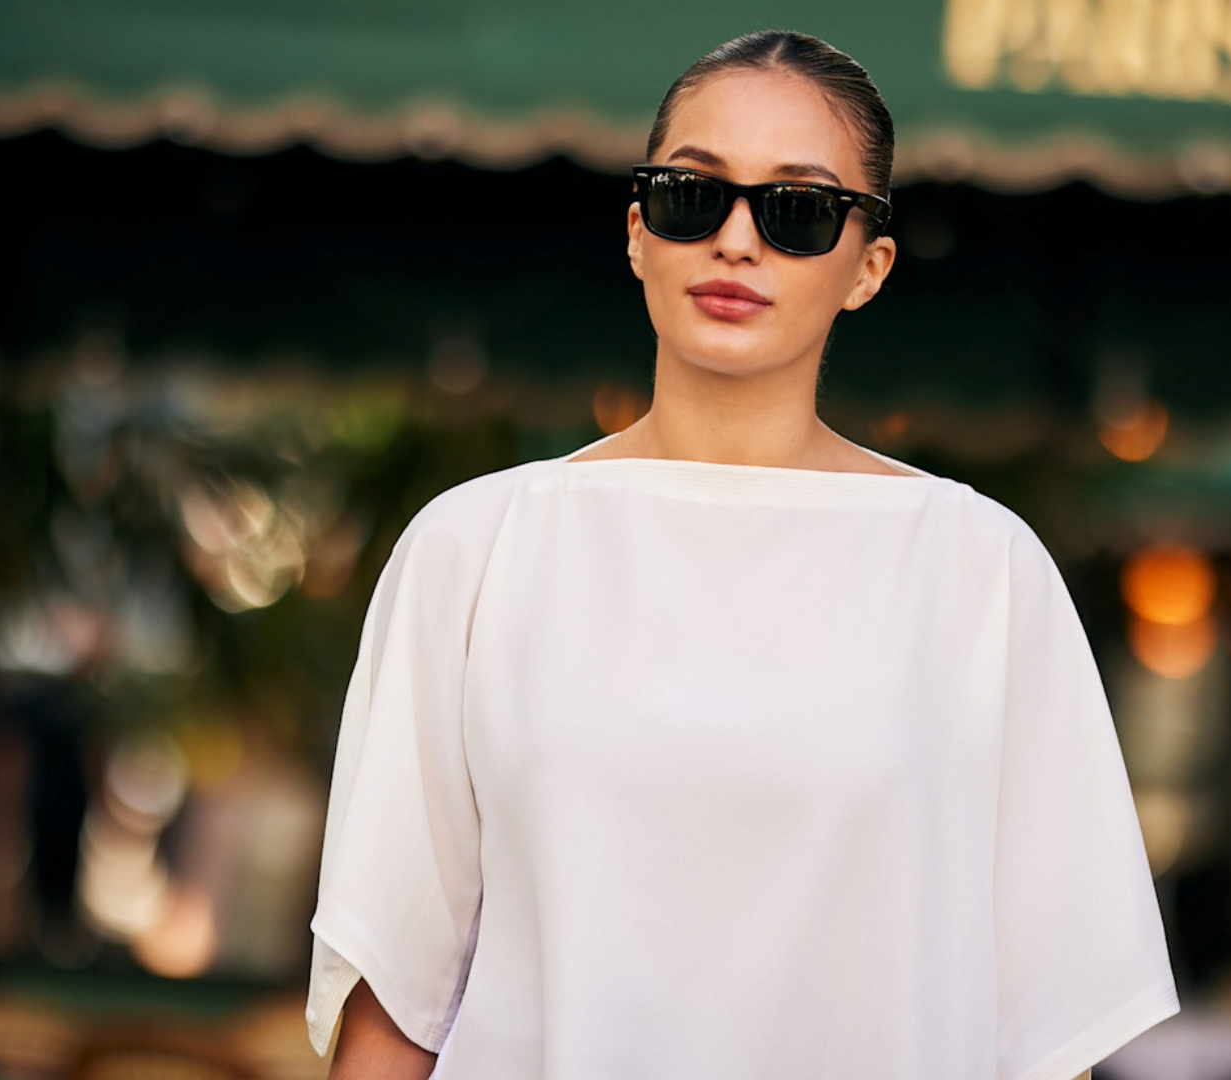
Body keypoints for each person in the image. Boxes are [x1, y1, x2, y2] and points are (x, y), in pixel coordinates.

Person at [307, 30, 1176, 1080]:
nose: (735, 239)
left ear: (869, 267)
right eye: (691, 194)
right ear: (636, 232)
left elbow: (1048, 1035)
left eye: (798, 210)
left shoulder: (978, 570)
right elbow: (396, 1006)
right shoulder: (479, 547)